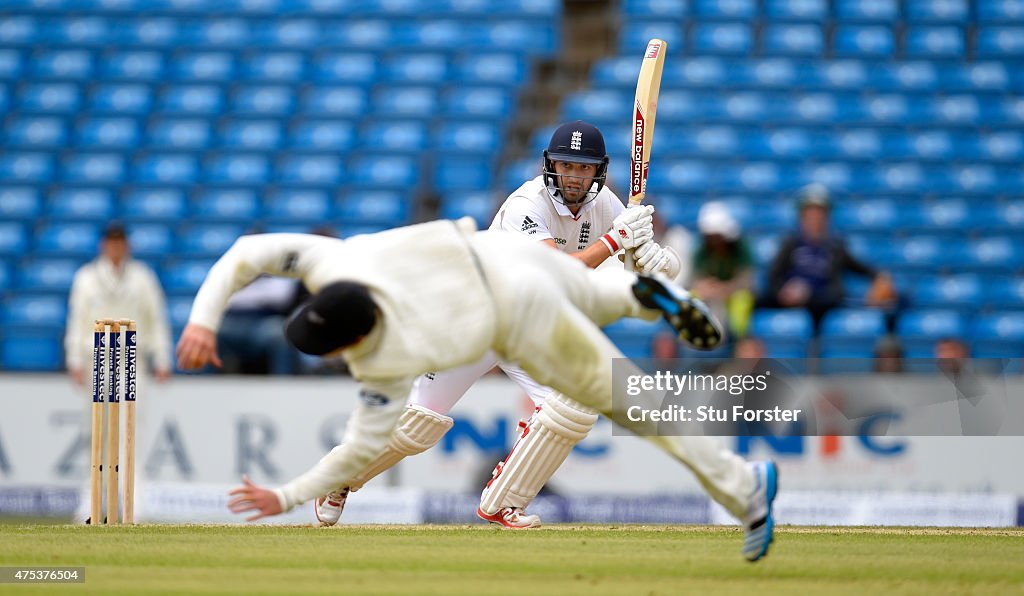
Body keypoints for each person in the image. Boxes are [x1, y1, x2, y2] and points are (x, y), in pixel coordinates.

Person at [175, 219, 778, 562]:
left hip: (507, 319)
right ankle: (641, 299)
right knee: (619, 358)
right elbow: (246, 254)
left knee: (617, 393)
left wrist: (287, 495)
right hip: (513, 265)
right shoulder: (340, 257)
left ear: (348, 339)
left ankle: (639, 296)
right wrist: (203, 320)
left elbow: (363, 446)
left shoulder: (387, 356)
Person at [314, 120, 690, 531]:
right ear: (551, 165)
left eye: (583, 168)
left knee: (573, 408)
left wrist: (658, 262)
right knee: (416, 424)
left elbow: (644, 264)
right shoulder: (524, 205)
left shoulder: (607, 204)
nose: (575, 176)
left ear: (598, 170)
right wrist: (617, 242)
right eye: (567, 165)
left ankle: (502, 504)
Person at [759, 184, 895, 330]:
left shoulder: (835, 248)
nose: (815, 219)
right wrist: (785, 292)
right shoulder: (790, 244)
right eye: (810, 213)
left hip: (821, 304)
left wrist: (880, 277)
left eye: (819, 213)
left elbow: (863, 270)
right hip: (789, 301)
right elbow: (773, 277)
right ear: (801, 217)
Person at [65, 222, 173, 388]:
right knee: (97, 413)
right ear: (103, 245)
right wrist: (75, 360)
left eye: (120, 242)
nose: (116, 247)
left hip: (131, 359)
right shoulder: (86, 278)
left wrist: (162, 358)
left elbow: (156, 318)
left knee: (131, 412)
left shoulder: (143, 277)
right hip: (97, 358)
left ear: (127, 245)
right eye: (111, 242)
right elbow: (77, 320)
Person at [689, 202, 755, 339]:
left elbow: (747, 280)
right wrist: (705, 287)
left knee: (742, 300)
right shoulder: (702, 250)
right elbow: (696, 278)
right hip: (711, 294)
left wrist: (725, 289)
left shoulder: (740, 248)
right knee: (692, 297)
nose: (714, 240)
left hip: (734, 293)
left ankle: (738, 339)